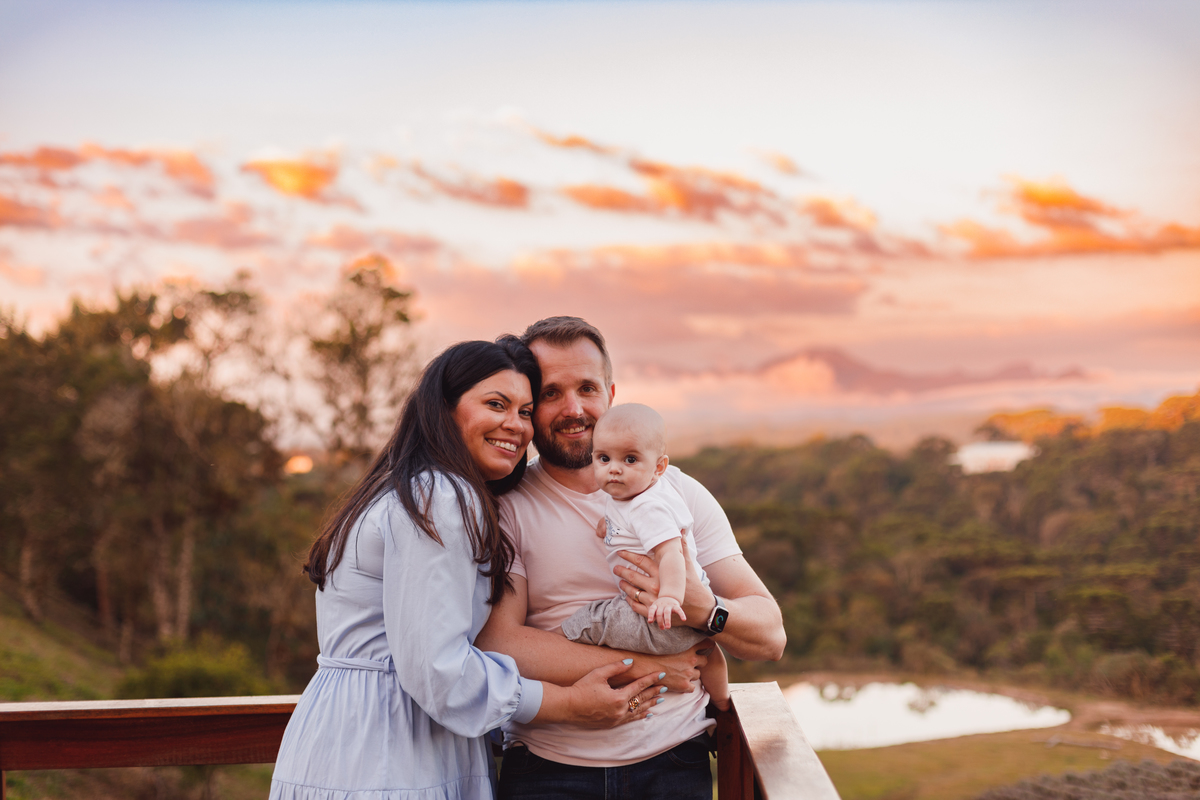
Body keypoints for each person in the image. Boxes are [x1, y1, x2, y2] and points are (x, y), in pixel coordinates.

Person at [270, 339, 666, 800]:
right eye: (496, 405)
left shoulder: (401, 486)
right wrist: (570, 704)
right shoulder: (439, 496)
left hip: (344, 734)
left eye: (524, 411)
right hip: (393, 750)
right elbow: (438, 669)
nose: (514, 426)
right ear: (443, 409)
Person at [474, 318, 786, 800]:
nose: (574, 409)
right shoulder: (508, 506)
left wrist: (705, 609)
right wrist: (645, 664)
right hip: (547, 771)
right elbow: (500, 640)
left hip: (674, 764)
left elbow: (770, 635)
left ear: (611, 393)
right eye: (552, 393)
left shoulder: (678, 492)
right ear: (532, 408)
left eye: (587, 388)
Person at [561, 403, 730, 711]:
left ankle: (568, 637)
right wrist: (607, 526)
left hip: (656, 616)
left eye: (630, 459)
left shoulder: (646, 507)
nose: (614, 468)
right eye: (603, 458)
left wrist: (669, 598)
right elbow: (623, 519)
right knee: (707, 649)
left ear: (659, 466)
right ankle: (722, 705)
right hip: (692, 622)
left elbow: (671, 555)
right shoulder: (635, 494)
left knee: (594, 620)